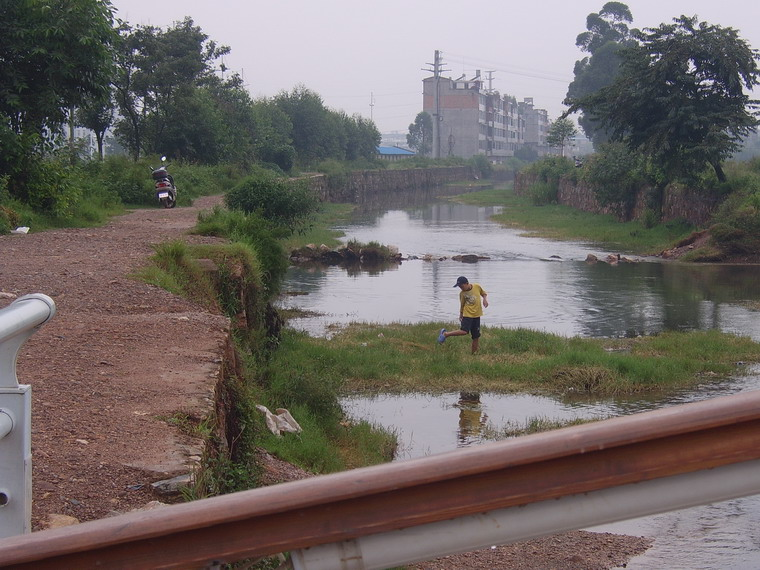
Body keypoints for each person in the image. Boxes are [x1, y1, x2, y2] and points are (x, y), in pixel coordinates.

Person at [438, 276, 488, 354]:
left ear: (467, 283)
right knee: (464, 331)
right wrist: (461, 314)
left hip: (477, 315)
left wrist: (485, 300)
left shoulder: (477, 287)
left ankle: (474, 354)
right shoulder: (462, 294)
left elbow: (484, 293)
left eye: (461, 286)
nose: (461, 288)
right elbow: (462, 304)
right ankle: (446, 334)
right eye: (459, 287)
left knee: (476, 336)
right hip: (467, 314)